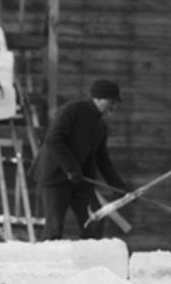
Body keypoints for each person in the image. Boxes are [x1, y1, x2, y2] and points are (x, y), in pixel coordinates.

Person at [31, 79, 126, 240]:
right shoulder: (73, 110)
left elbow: (103, 161)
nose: (114, 106)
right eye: (112, 101)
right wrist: (71, 168)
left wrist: (120, 189)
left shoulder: (100, 126)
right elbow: (53, 140)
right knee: (54, 227)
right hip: (54, 177)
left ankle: (88, 262)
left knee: (95, 220)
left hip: (79, 180)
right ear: (99, 98)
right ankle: (46, 263)